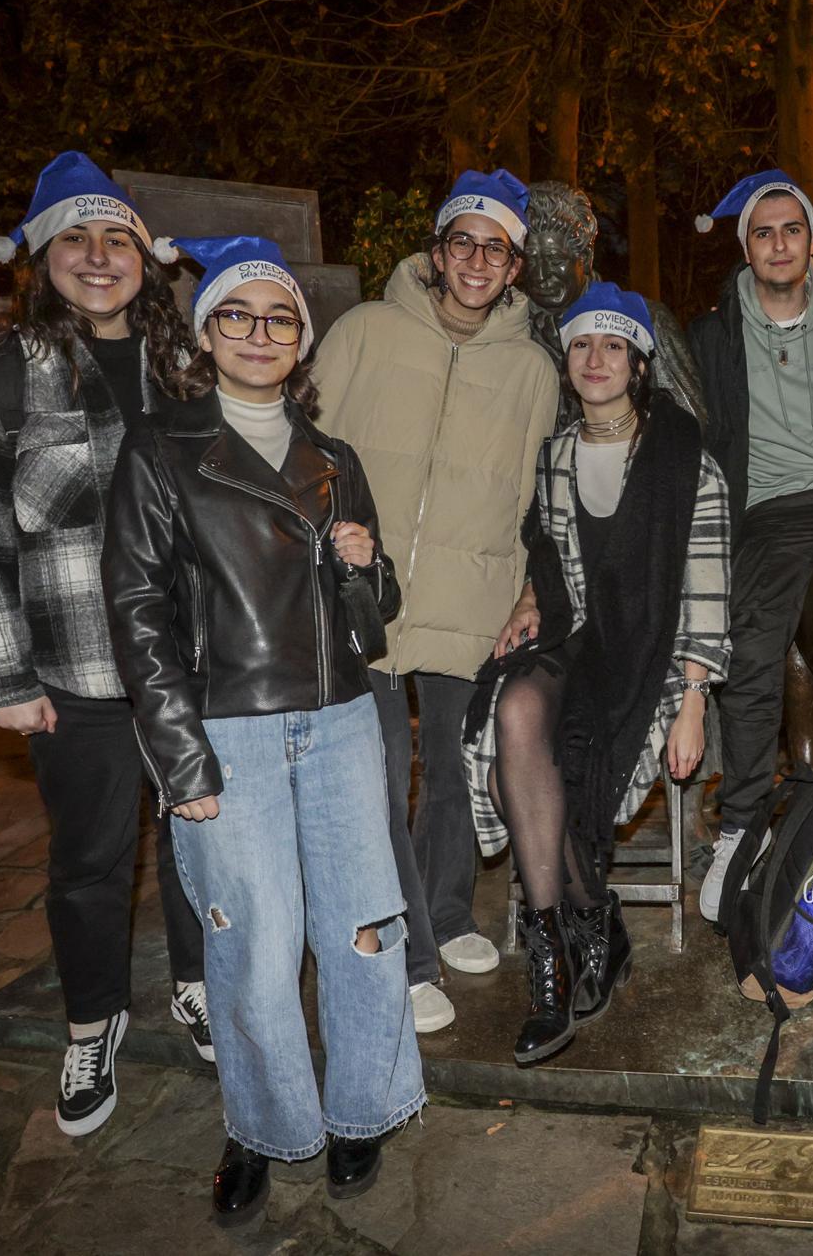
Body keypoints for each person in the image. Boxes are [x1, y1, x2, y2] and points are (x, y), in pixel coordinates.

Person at [104, 236, 423, 1223]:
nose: (257, 333)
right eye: (235, 315)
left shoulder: (336, 461)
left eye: (277, 316)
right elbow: (136, 609)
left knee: (362, 928)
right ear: (208, 336)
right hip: (228, 734)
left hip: (337, 724)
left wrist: (365, 564)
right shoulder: (164, 451)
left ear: (300, 339)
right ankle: (262, 1124)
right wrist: (179, 756)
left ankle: (362, 1107)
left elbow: (379, 616)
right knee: (255, 943)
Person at [0, 151, 210, 1139]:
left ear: (145, 256)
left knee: (198, 841)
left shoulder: (191, 364)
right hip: (76, 673)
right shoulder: (3, 376)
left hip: (190, 667)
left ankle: (197, 980)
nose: (98, 257)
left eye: (117, 239)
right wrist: (2, 677)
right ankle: (92, 1020)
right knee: (91, 860)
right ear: (41, 259)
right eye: (75, 240)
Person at [310, 169, 560, 1031]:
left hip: (471, 590)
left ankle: (449, 914)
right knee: (380, 772)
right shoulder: (366, 332)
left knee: (451, 773)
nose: (478, 260)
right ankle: (410, 955)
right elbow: (308, 449)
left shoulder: (532, 368)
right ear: (438, 251)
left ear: (515, 265)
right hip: (364, 594)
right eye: (465, 242)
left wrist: (530, 584)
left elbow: (539, 494)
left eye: (497, 247)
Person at [463, 283, 731, 1063]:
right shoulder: (556, 456)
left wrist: (693, 699)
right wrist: (524, 598)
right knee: (511, 715)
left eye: (614, 345)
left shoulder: (688, 463)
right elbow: (549, 561)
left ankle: (588, 933)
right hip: (574, 639)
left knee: (553, 766)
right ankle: (560, 951)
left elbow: (707, 591)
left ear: (639, 362)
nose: (596, 359)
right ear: (568, 360)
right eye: (582, 344)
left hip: (647, 658)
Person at [687, 170, 813, 921]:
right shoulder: (712, 336)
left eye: (791, 229)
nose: (778, 243)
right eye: (763, 232)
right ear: (747, 248)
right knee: (752, 645)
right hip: (771, 507)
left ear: (811, 241)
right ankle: (741, 825)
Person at [519, 180, 710, 424]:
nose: (542, 275)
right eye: (531, 260)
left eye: (556, 260)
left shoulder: (648, 322)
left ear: (585, 258)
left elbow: (690, 425)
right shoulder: (510, 328)